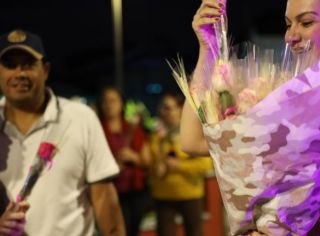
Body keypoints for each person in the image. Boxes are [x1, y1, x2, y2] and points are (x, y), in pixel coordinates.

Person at [180, 0, 320, 235]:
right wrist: (208, 48)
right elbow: (193, 141)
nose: (290, 36)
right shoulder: (277, 100)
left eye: (306, 22)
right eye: (287, 24)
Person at [0, 29, 126, 236]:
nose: (19, 73)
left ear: (46, 70)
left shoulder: (80, 117)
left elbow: (104, 198)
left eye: (29, 64)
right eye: (10, 65)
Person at [149, 92, 213, 236]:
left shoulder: (191, 134)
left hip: (190, 195)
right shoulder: (156, 135)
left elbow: (205, 165)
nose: (164, 112)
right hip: (163, 196)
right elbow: (150, 164)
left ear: (179, 109)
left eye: (168, 107)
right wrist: (156, 167)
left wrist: (178, 166)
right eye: (162, 108)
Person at [98, 87, 151, 236]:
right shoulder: (97, 130)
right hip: (109, 192)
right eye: (105, 101)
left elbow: (147, 161)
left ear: (122, 104)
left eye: (113, 101)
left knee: (133, 230)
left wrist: (134, 157)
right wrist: (112, 165)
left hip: (135, 191)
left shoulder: (133, 129)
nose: (109, 105)